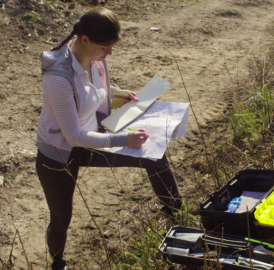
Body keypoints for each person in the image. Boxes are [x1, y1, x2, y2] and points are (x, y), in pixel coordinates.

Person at [35, 7, 182, 270]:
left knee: (155, 157)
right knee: (60, 219)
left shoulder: (94, 57)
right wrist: (124, 140)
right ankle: (58, 263)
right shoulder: (58, 78)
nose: (110, 53)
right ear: (84, 40)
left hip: (92, 135)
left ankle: (178, 217)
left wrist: (118, 95)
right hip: (59, 152)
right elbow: (74, 136)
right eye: (106, 47)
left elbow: (91, 91)